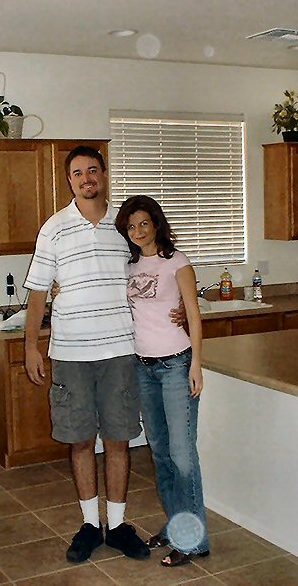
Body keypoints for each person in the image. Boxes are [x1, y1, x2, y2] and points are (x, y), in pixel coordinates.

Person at [23, 145, 150, 563]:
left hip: (121, 349)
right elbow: (38, 292)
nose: (86, 178)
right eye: (77, 173)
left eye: (92, 170)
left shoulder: (126, 225)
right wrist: (31, 346)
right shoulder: (54, 228)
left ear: (104, 175)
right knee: (79, 440)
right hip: (71, 352)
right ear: (69, 181)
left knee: (118, 439)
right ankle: (90, 526)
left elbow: (153, 268)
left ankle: (118, 526)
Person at [114, 195, 211, 568]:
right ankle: (176, 528)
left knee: (183, 456)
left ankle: (193, 540)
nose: (138, 231)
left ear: (156, 224)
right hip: (143, 368)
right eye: (131, 226)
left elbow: (194, 315)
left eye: (143, 223)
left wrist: (196, 365)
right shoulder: (128, 265)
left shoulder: (177, 262)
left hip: (176, 366)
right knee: (160, 454)